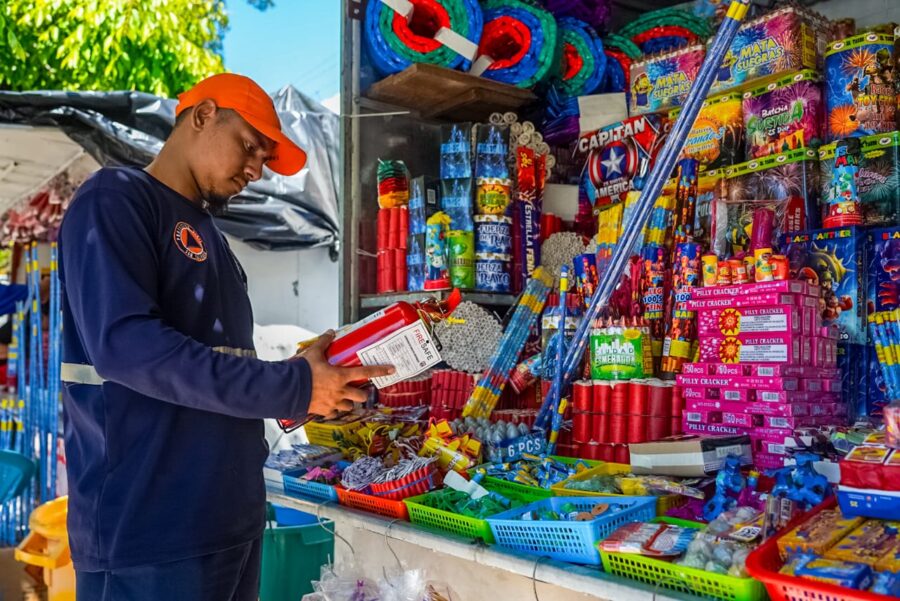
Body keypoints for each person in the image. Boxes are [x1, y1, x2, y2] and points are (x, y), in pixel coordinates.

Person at [59, 73, 393, 601]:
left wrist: (312, 388)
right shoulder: (116, 197)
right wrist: (293, 386)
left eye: (264, 158)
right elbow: (126, 347)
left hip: (231, 524)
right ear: (203, 115)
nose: (257, 170)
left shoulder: (216, 242)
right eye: (250, 146)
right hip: (148, 534)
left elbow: (219, 372)